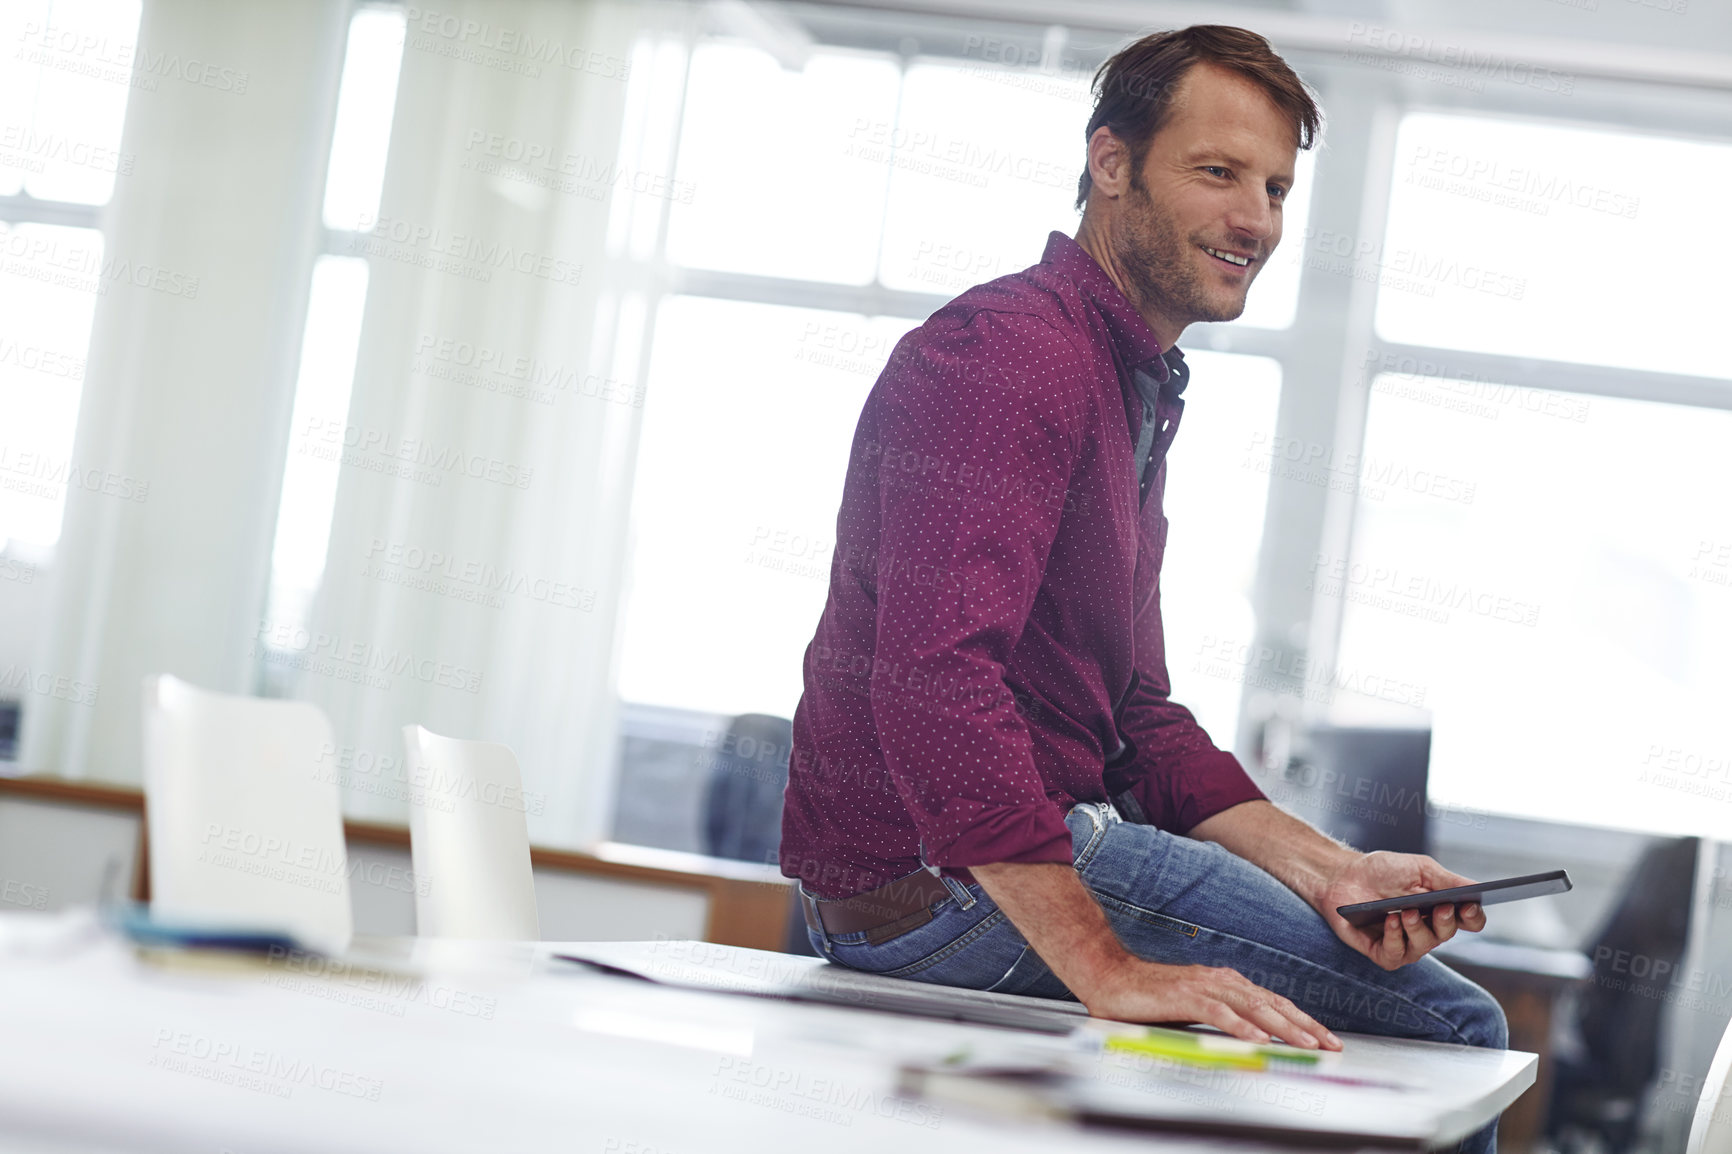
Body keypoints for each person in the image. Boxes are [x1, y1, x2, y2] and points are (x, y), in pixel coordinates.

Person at [779, 23, 1507, 1151]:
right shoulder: (1012, 353)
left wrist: (1333, 871)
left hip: (976, 870)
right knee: (1450, 1027)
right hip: (942, 884)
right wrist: (1107, 967)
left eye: (1273, 187)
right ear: (1110, 163)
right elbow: (930, 682)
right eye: (1216, 173)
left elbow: (1139, 723)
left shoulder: (1122, 380)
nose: (1256, 220)